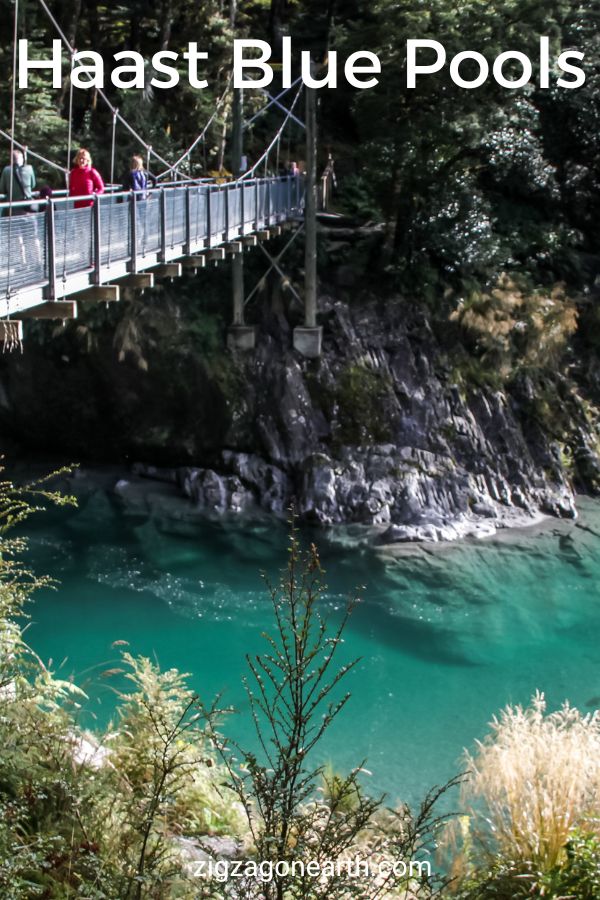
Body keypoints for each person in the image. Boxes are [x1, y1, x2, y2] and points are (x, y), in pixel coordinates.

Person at [0, 149, 36, 214]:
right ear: (22, 159)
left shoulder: (6, 170)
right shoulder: (29, 168)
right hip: (27, 207)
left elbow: (2, 189)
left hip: (12, 208)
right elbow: (33, 185)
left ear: (11, 160)